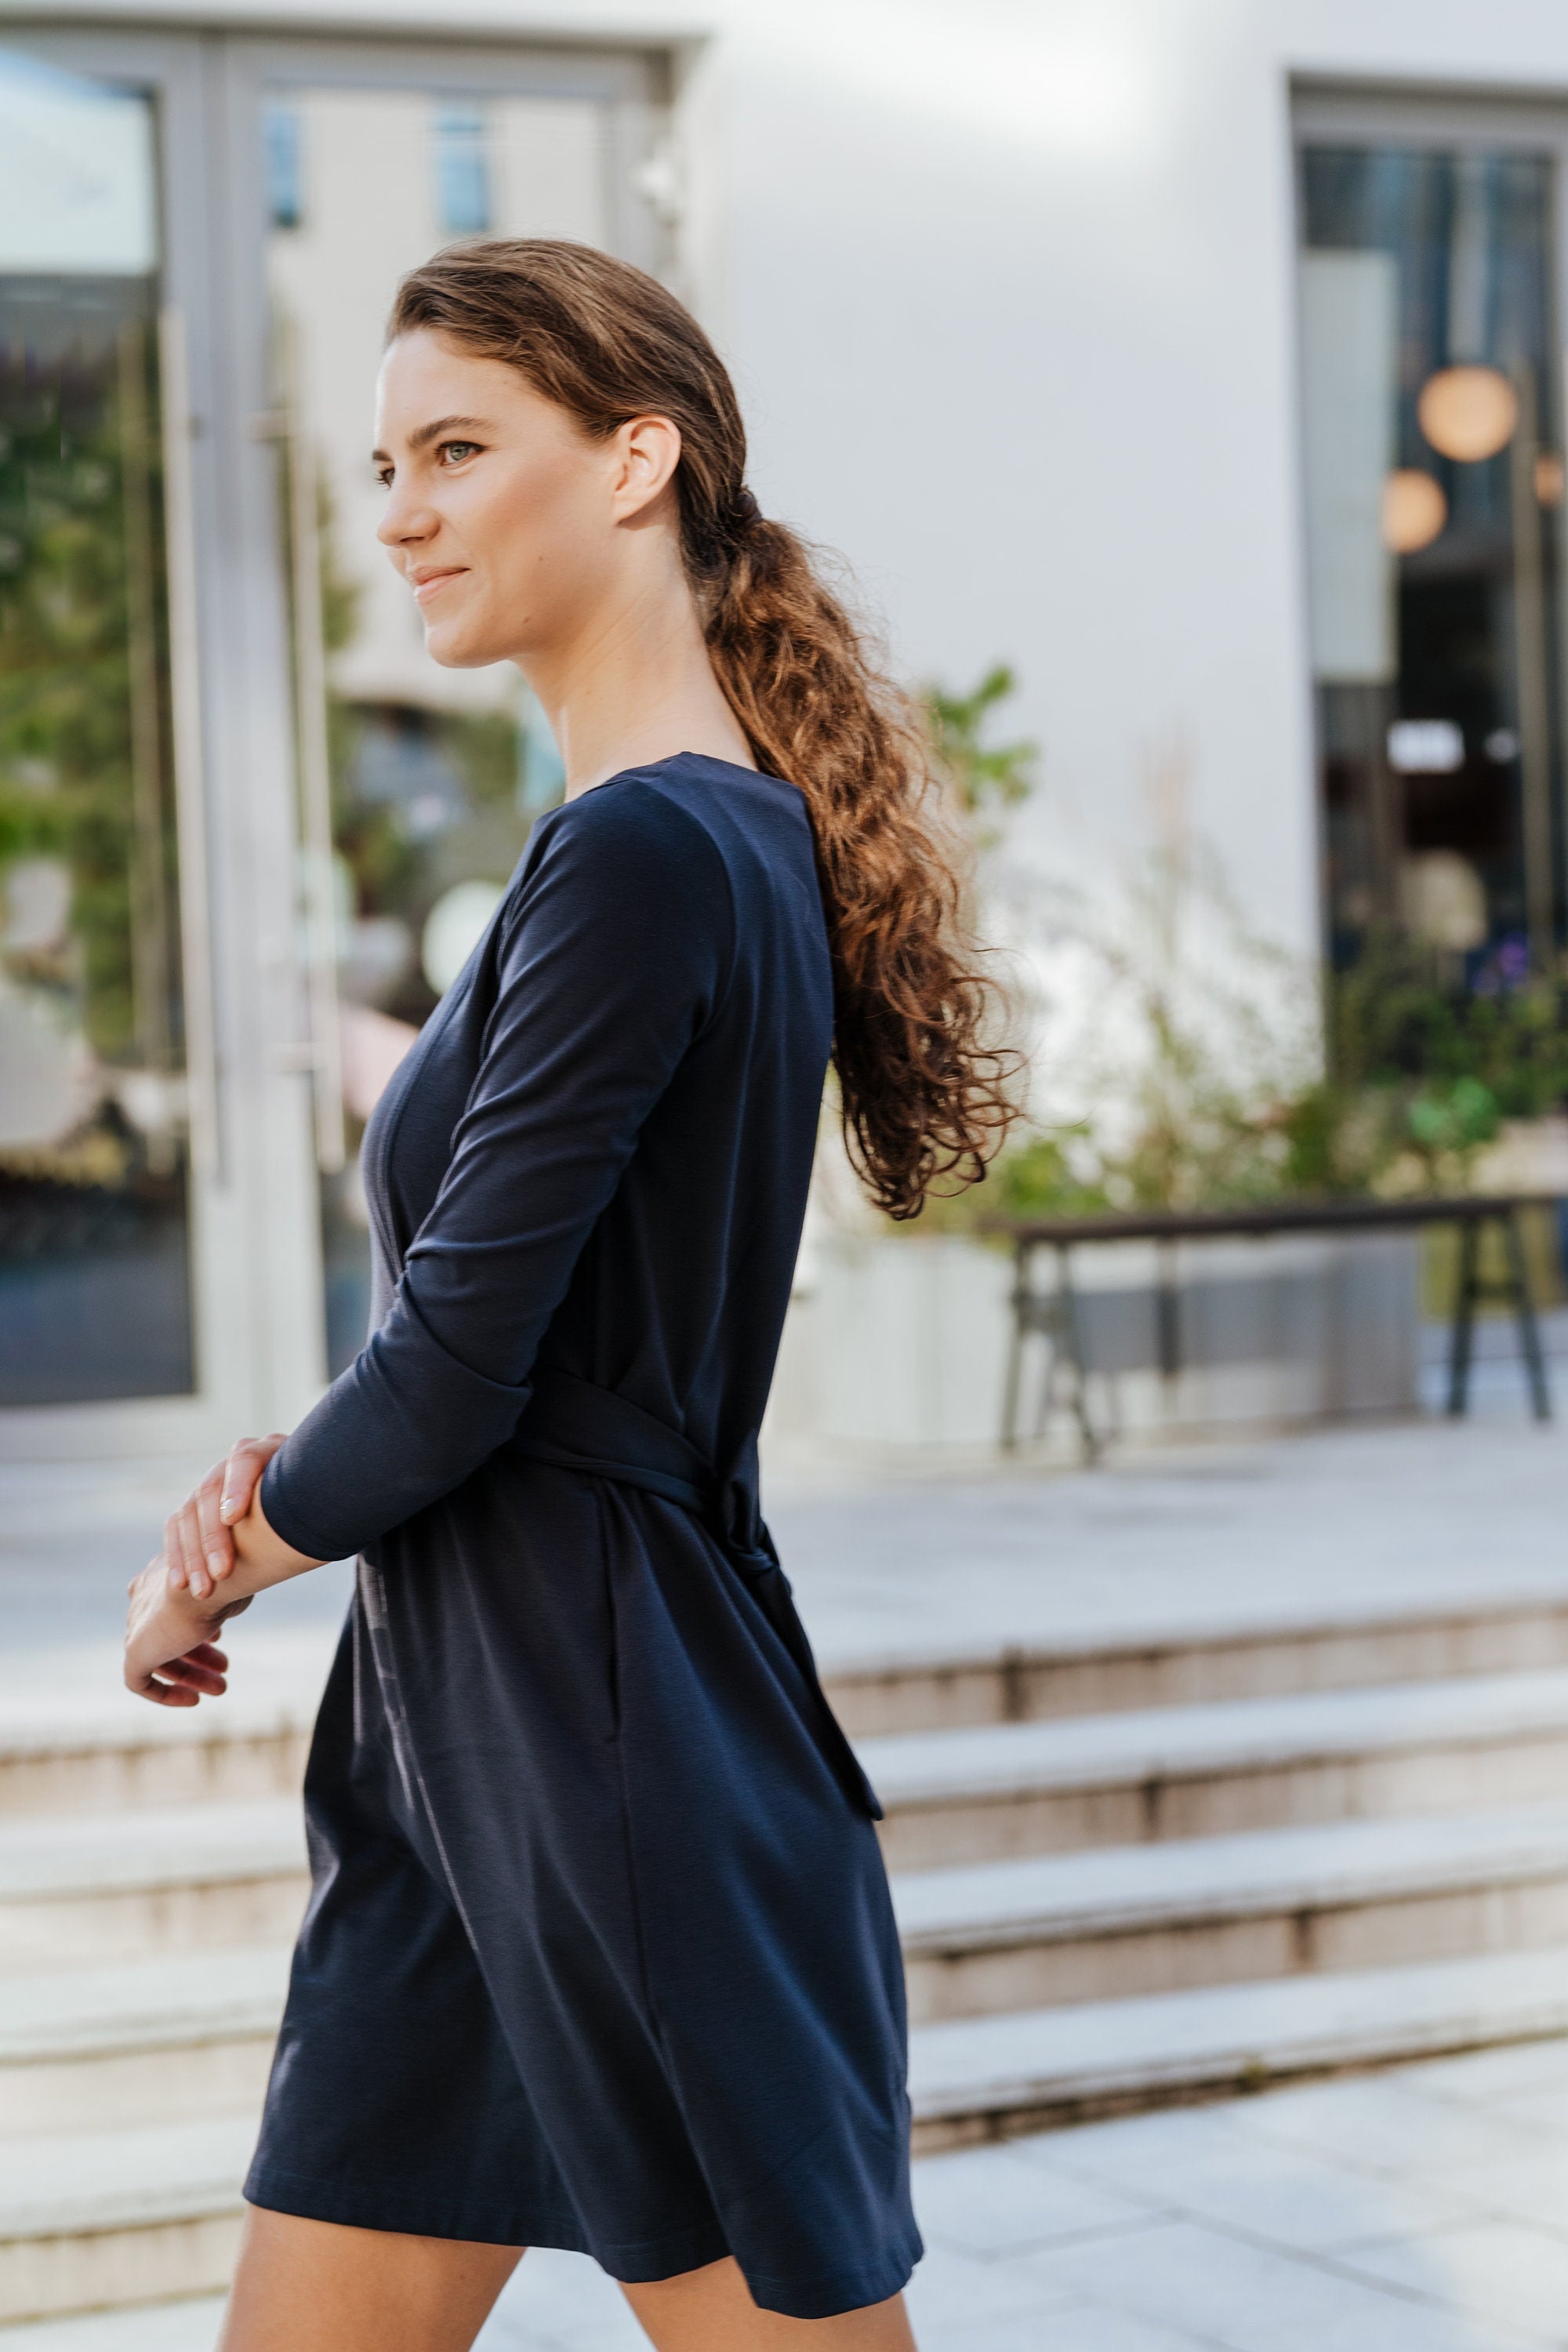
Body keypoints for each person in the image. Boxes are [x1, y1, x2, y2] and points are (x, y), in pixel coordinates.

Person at [125, 240, 1014, 2352]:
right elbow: (468, 1337)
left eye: (456, 450)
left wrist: (212, 1562)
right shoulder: (661, 843)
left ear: (641, 461)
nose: (404, 511)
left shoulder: (650, 853)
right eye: (383, 465)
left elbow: (454, 1372)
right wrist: (291, 1483)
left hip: (598, 1731)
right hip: (473, 1722)